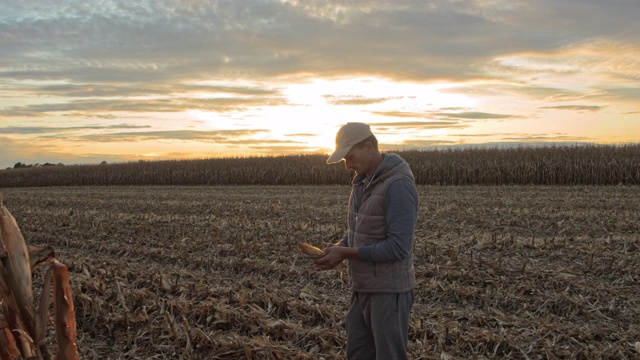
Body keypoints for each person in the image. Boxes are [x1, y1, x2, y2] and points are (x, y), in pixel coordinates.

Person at [314, 122, 418, 360]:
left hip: (388, 292)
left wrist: (346, 254)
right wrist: (340, 247)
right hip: (362, 287)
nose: (347, 165)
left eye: (350, 158)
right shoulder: (362, 183)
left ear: (369, 148)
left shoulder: (398, 185)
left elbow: (399, 247)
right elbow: (359, 230)